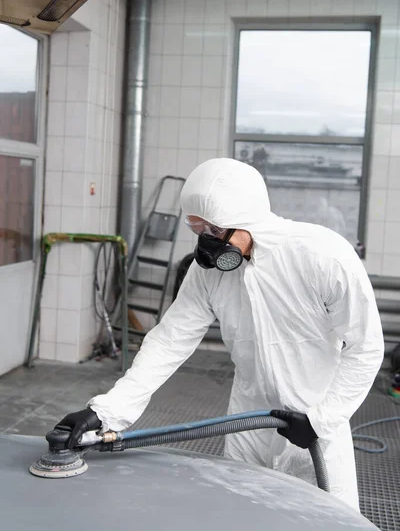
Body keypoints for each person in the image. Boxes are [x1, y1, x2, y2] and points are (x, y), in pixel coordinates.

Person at [56, 158, 383, 511]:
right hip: (247, 422)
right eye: (199, 233)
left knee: (327, 518)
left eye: (214, 232)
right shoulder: (210, 273)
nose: (207, 246)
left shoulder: (322, 256)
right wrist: (107, 412)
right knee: (240, 515)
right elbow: (169, 340)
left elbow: (365, 348)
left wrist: (322, 420)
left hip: (315, 429)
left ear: (247, 220)